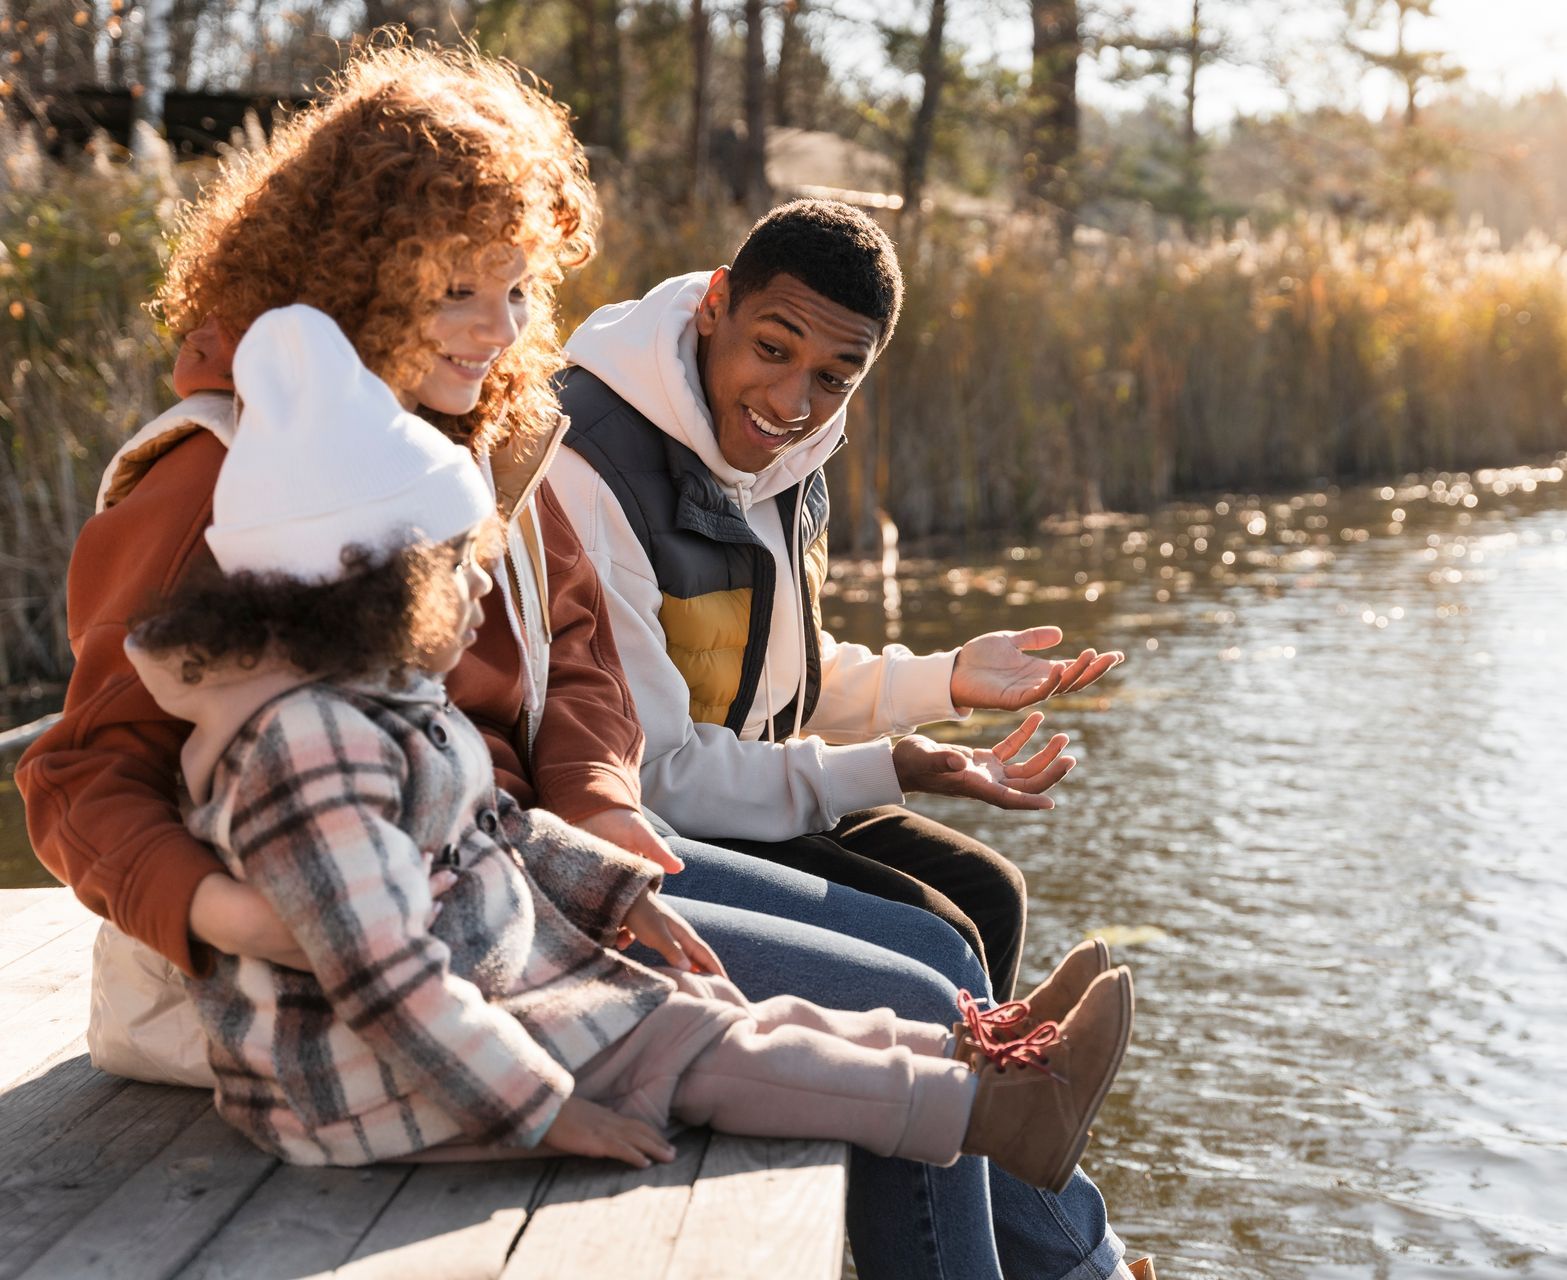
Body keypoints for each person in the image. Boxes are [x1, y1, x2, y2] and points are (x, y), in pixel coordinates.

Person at [17, 44, 1150, 1278]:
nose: (501, 329)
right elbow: (81, 777)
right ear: (355, 273)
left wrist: (608, 825)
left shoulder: (483, 437)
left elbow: (581, 665)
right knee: (927, 993)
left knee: (934, 958)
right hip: (311, 966)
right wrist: (236, 913)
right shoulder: (219, 478)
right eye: (460, 290)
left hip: (511, 869)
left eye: (516, 289)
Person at [125, 303, 1133, 1195]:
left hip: (478, 984)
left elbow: (502, 829)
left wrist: (616, 888)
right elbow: (389, 984)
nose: (484, 594)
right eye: (455, 571)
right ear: (363, 586)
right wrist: (542, 1108)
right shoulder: (313, 749)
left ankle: (974, 1056)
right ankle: (983, 1113)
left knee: (694, 999)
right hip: (358, 1083)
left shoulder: (382, 706)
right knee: (686, 1042)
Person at [549, 199, 1124, 1003]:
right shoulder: (589, 465)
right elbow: (655, 773)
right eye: (772, 349)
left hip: (742, 780)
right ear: (716, 304)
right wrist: (889, 767)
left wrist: (948, 680)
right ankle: (960, 1111)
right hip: (653, 819)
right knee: (937, 936)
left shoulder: (786, 450)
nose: (790, 403)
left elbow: (774, 683)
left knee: (990, 889)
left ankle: (982, 1103)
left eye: (832, 378)